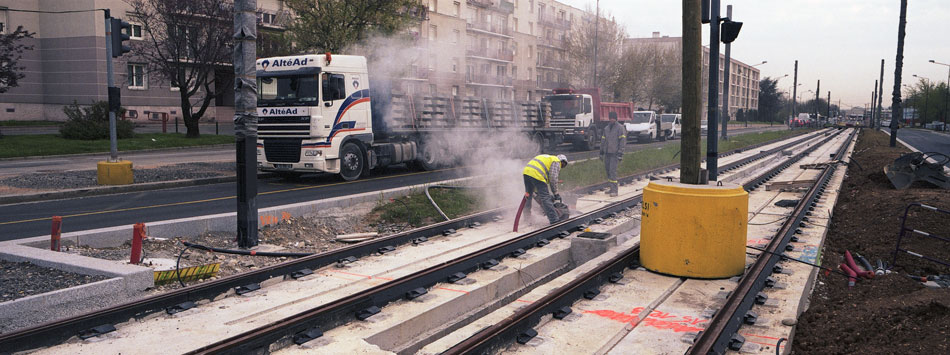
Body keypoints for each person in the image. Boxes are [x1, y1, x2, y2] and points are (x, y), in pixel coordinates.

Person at [522, 154, 570, 224]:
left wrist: (537, 194)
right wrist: (556, 193)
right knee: (545, 198)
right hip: (537, 174)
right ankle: (554, 220)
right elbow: (553, 179)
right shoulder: (556, 161)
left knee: (528, 195)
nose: (561, 168)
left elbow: (536, 191)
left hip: (526, 172)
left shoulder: (548, 158)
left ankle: (527, 218)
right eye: (563, 165)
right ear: (562, 162)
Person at [600, 111, 626, 196]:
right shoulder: (606, 128)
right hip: (607, 153)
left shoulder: (620, 128)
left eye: (613, 118)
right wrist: (601, 152)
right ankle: (611, 188)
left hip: (615, 153)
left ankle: (615, 190)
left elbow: (622, 141)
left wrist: (620, 152)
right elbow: (603, 140)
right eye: (610, 118)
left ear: (616, 119)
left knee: (612, 171)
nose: (611, 120)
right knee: (608, 171)